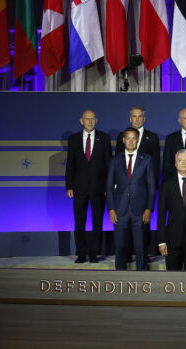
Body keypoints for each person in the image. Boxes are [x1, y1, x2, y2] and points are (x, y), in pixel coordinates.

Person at [65, 109, 112, 263]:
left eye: (93, 119)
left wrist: (108, 186)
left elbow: (108, 165)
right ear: (81, 121)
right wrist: (69, 186)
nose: (90, 122)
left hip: (99, 188)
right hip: (79, 188)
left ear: (96, 121)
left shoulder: (104, 138)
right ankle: (81, 253)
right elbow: (70, 165)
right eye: (87, 119)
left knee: (97, 221)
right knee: (80, 222)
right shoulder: (73, 139)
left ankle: (93, 253)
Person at [107, 127, 156, 271]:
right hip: (120, 209)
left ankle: (141, 276)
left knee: (140, 246)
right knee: (120, 246)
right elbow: (109, 186)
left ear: (138, 140)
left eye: (133, 138)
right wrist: (111, 209)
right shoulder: (115, 160)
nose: (130, 141)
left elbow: (151, 187)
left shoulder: (147, 159)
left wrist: (148, 209)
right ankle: (120, 276)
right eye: (128, 138)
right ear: (123, 140)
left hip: (140, 210)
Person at [114, 106, 160, 260]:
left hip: (143, 189)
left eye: (140, 116)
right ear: (130, 118)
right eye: (134, 116)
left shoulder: (152, 137)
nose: (137, 119)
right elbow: (118, 161)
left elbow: (155, 164)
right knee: (124, 226)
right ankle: (126, 254)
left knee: (143, 224)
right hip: (124, 190)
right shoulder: (122, 136)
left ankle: (143, 254)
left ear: (144, 118)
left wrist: (152, 186)